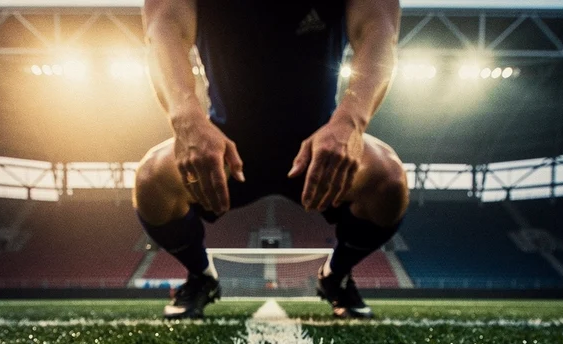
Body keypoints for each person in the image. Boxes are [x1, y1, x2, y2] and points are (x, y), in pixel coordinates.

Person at [135, 0, 409, 319]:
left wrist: (351, 121)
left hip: (316, 146)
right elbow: (163, 29)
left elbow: (379, 31)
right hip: (230, 146)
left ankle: (336, 275)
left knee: (388, 179)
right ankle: (201, 276)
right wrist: (187, 120)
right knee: (152, 179)